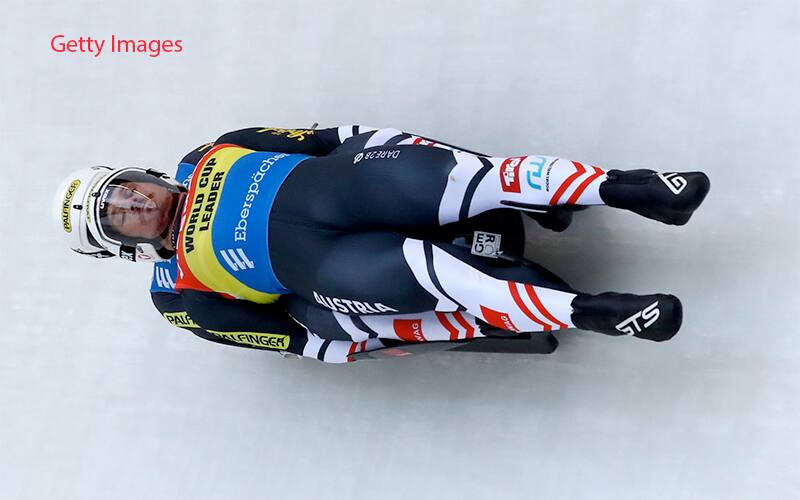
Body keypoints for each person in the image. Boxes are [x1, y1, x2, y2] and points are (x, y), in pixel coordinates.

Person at [52, 125, 710, 363]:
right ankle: (602, 313)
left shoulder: (214, 150)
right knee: (432, 270)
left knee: (461, 178)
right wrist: (378, 337)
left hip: (351, 189)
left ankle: (631, 188)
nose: (134, 202)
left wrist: (414, 147)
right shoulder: (179, 298)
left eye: (124, 188)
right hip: (334, 273)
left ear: (141, 174)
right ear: (120, 245)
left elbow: (334, 137)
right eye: (117, 215)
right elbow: (294, 336)